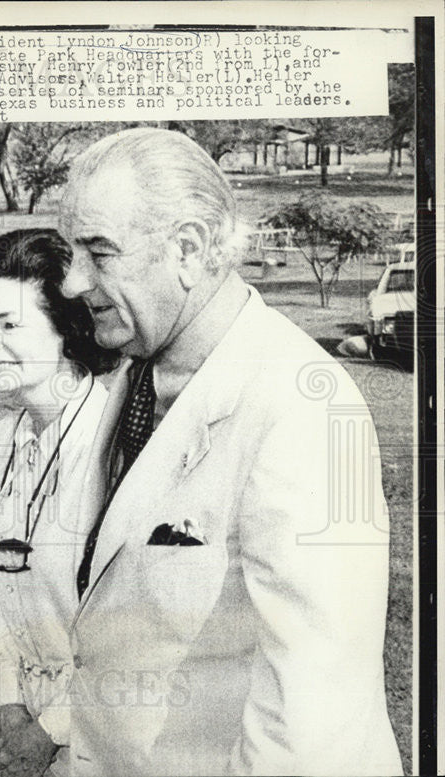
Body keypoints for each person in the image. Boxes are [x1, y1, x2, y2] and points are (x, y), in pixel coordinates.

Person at [57, 127, 403, 776]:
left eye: (98, 253)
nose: (73, 283)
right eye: (69, 252)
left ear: (188, 248)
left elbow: (311, 719)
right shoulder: (132, 380)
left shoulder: (301, 407)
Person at [0, 230, 116, 777]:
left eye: (9, 324)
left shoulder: (114, 441)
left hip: (104, 728)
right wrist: (9, 703)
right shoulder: (5, 438)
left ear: (66, 328)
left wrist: (49, 732)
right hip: (22, 720)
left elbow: (129, 627)